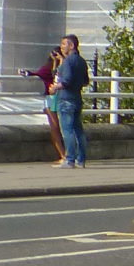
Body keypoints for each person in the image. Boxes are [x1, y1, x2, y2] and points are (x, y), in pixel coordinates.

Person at [19, 49, 64, 163]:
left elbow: (52, 75)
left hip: (52, 98)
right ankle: (65, 154)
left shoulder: (52, 67)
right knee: (62, 126)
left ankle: (63, 155)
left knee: (55, 127)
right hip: (60, 98)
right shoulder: (63, 66)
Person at [53, 33, 88, 168]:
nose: (61, 47)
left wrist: (56, 87)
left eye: (63, 44)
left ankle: (70, 159)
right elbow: (85, 81)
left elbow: (66, 81)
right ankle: (81, 159)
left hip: (66, 98)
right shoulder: (81, 61)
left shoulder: (68, 61)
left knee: (67, 130)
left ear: (71, 45)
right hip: (77, 98)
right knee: (78, 129)